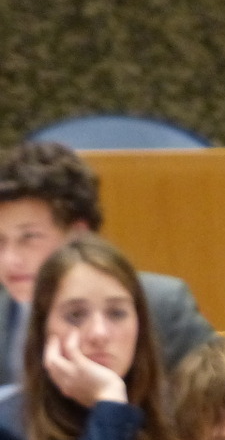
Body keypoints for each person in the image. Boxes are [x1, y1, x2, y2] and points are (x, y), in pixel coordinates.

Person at [0, 234, 186, 440]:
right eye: (75, 315)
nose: (99, 333)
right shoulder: (9, 433)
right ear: (44, 330)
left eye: (116, 313)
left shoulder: (175, 420)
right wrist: (109, 405)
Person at [0, 141, 213, 385]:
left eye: (29, 238)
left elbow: (219, 405)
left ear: (78, 235)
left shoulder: (163, 307)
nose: (10, 260)